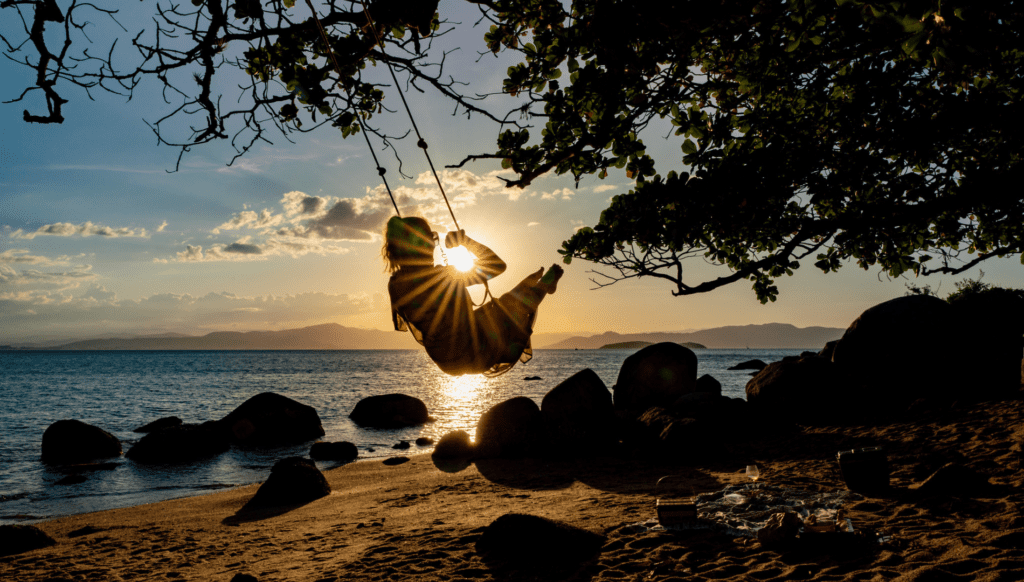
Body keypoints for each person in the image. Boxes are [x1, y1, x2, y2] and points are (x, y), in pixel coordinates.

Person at [383, 216, 563, 376]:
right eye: (431, 239)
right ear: (421, 245)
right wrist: (465, 241)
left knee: (498, 309)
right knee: (507, 308)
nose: (433, 244)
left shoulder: (395, 285)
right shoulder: (443, 277)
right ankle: (542, 285)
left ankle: (536, 285)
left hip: (445, 361)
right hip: (472, 353)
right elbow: (497, 265)